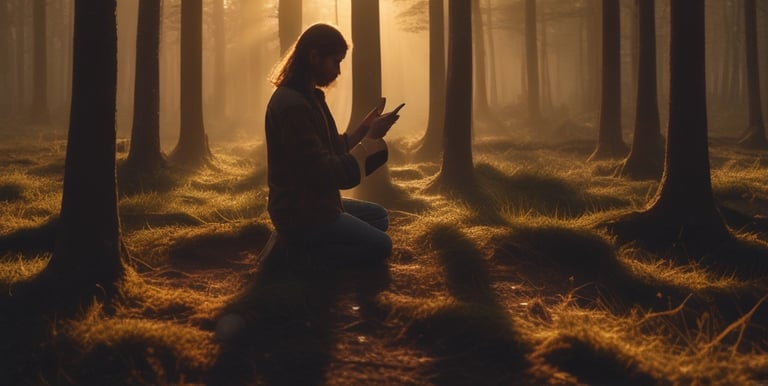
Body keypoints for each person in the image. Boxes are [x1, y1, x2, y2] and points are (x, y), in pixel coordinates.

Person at [259, 22, 401, 270]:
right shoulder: (293, 106)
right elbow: (326, 172)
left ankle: (302, 246)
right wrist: (369, 142)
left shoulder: (308, 97)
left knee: (379, 217)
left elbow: (332, 148)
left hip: (317, 203)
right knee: (381, 245)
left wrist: (365, 129)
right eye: (335, 61)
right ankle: (295, 258)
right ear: (314, 57)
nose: (338, 70)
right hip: (302, 214)